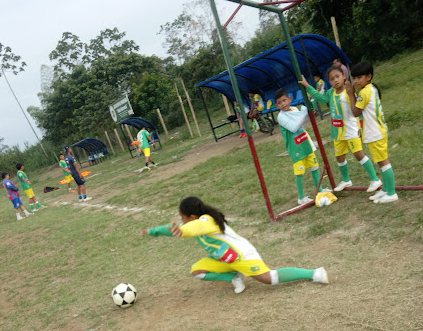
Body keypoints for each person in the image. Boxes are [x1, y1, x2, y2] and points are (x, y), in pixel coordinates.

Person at [141, 196, 328, 294]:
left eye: (183, 218)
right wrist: (152, 231)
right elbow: (172, 229)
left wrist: (183, 231)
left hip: (242, 255)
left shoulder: (206, 221)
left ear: (192, 216)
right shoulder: (193, 223)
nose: (181, 221)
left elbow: (192, 228)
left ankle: (313, 273)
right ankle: (233, 277)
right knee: (197, 271)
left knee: (268, 278)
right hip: (225, 259)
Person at [299, 67, 381, 193]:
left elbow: (358, 109)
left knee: (358, 154)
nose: (335, 80)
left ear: (343, 76)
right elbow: (320, 98)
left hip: (351, 130)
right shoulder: (330, 93)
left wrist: (360, 126)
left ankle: (375, 179)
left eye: (337, 77)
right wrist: (307, 86)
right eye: (332, 79)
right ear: (329, 82)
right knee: (339, 156)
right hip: (337, 132)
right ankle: (346, 179)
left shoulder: (349, 91)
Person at [345, 61, 398, 203]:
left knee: (383, 162)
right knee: (380, 162)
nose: (355, 81)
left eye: (359, 77)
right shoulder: (370, 89)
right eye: (354, 78)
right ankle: (385, 189)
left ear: (368, 76)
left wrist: (350, 94)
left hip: (376, 133)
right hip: (375, 131)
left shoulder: (365, 92)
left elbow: (355, 112)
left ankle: (391, 193)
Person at [275, 88, 321, 205]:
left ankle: (319, 190)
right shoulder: (281, 117)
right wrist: (305, 110)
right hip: (295, 147)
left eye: (284, 100)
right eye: (279, 103)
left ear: (289, 99)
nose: (283, 104)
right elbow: (294, 127)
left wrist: (306, 109)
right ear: (276, 106)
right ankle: (301, 197)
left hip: (305, 142)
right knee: (299, 172)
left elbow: (303, 119)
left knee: (314, 166)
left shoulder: (295, 109)